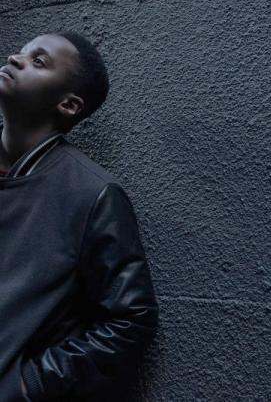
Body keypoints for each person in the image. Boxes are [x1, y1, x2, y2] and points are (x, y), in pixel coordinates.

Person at [0, 32, 159, 401]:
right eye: (22, 52)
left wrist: (31, 384)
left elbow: (131, 320)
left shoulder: (91, 194)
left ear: (69, 105)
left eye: (38, 61)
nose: (14, 58)